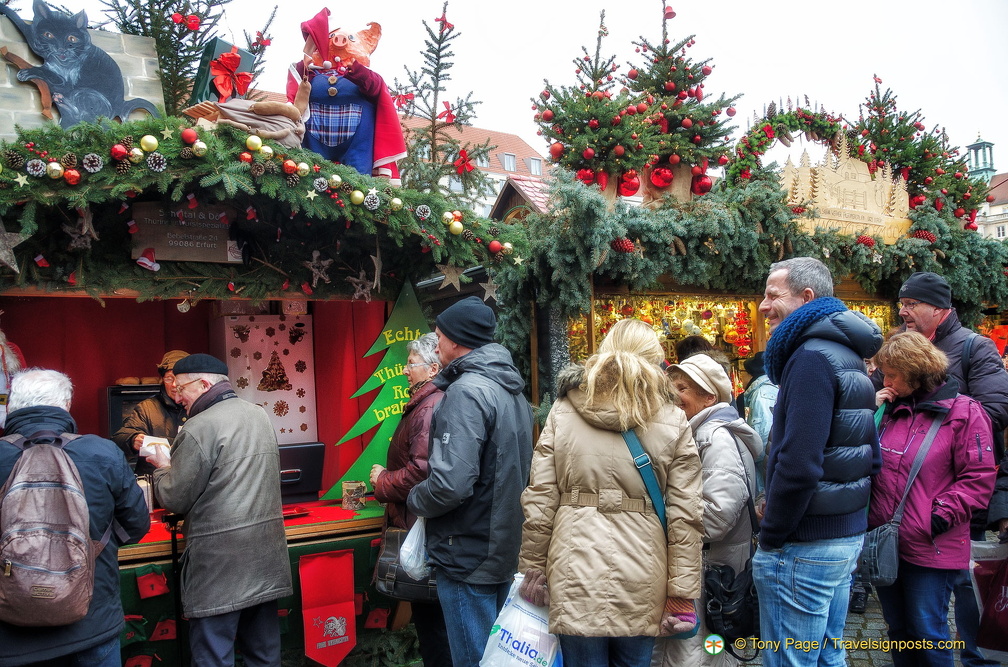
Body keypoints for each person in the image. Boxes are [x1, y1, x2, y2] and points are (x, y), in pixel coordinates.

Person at [518, 318, 704, 667]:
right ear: (655, 360)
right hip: (644, 571)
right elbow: (686, 515)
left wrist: (532, 569)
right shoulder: (673, 418)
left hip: (573, 565)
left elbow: (540, 499)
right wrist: (681, 592)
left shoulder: (564, 409)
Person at [754, 257, 882, 667]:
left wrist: (772, 533)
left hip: (804, 543)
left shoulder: (810, 357)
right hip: (841, 537)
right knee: (827, 654)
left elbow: (798, 462)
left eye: (773, 295)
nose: (762, 305)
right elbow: (870, 454)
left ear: (806, 298)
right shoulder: (847, 355)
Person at [406, 297, 534, 667]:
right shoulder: (512, 391)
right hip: (501, 546)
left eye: (439, 334)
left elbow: (450, 484)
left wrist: (415, 498)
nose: (436, 340)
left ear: (457, 341)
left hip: (467, 551)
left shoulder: (466, 392)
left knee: (474, 659)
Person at [147, 353, 292, 667]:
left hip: (218, 568)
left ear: (202, 384)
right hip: (265, 559)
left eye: (181, 387)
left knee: (213, 658)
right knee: (264, 657)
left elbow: (175, 497)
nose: (177, 395)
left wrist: (161, 469)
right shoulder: (259, 415)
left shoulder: (198, 427)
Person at [0, 369, 150, 666]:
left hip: (12, 633)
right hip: (92, 622)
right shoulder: (103, 453)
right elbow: (137, 525)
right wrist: (95, 546)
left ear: (11, 407)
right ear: (66, 405)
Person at [897, 271, 1008, 667]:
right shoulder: (900, 343)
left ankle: (977, 657)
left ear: (939, 308)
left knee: (965, 583)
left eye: (912, 305)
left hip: (957, 488)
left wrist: (929, 426)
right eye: (902, 304)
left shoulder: (974, 347)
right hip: (904, 491)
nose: (904, 311)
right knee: (913, 597)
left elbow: (996, 409)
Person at [869, 332, 996, 667]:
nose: (886, 379)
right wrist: (872, 411)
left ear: (917, 372)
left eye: (894, 374)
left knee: (927, 632)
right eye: (884, 372)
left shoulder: (964, 413)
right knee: (897, 629)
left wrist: (937, 518)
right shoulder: (888, 408)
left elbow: (978, 477)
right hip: (886, 542)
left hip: (930, 544)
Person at [655, 353, 761, 667]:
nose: (675, 394)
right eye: (673, 386)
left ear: (709, 397)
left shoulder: (713, 437)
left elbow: (717, 515)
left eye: (684, 388)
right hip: (709, 565)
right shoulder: (699, 431)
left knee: (697, 650)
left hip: (709, 567)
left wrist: (660, 515)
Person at [370, 333, 451, 667]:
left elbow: (421, 472)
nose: (405, 370)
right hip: (421, 523)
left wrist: (382, 481)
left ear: (432, 369)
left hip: (423, 527)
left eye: (410, 363)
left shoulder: (428, 408)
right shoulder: (425, 402)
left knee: (434, 628)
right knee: (433, 625)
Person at [112, 349, 189, 475]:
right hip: (155, 481)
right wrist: (132, 439)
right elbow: (118, 439)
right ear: (162, 380)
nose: (174, 384)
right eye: (169, 379)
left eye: (179, 378)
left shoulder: (200, 407)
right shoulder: (147, 408)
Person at [740, 351, 775, 494]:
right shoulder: (765, 390)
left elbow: (763, 437)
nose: (741, 377)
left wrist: (750, 459)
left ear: (750, 374)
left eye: (742, 372)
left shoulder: (761, 395)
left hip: (763, 469)